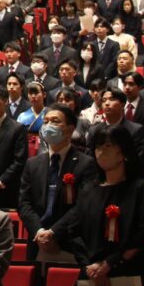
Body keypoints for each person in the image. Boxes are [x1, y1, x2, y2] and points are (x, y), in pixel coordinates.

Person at [41, 125, 144, 286]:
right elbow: (74, 232)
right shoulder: (88, 190)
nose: (100, 152)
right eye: (98, 147)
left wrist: (109, 264)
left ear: (123, 152)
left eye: (107, 146)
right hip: (91, 273)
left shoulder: (142, 190)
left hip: (130, 272)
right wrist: (89, 266)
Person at [18, 104, 97, 260]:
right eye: (45, 121)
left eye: (55, 121)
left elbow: (82, 205)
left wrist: (54, 233)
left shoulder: (85, 164)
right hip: (37, 241)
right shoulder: (33, 164)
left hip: (69, 243)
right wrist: (39, 231)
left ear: (70, 129)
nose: (48, 126)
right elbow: (24, 203)